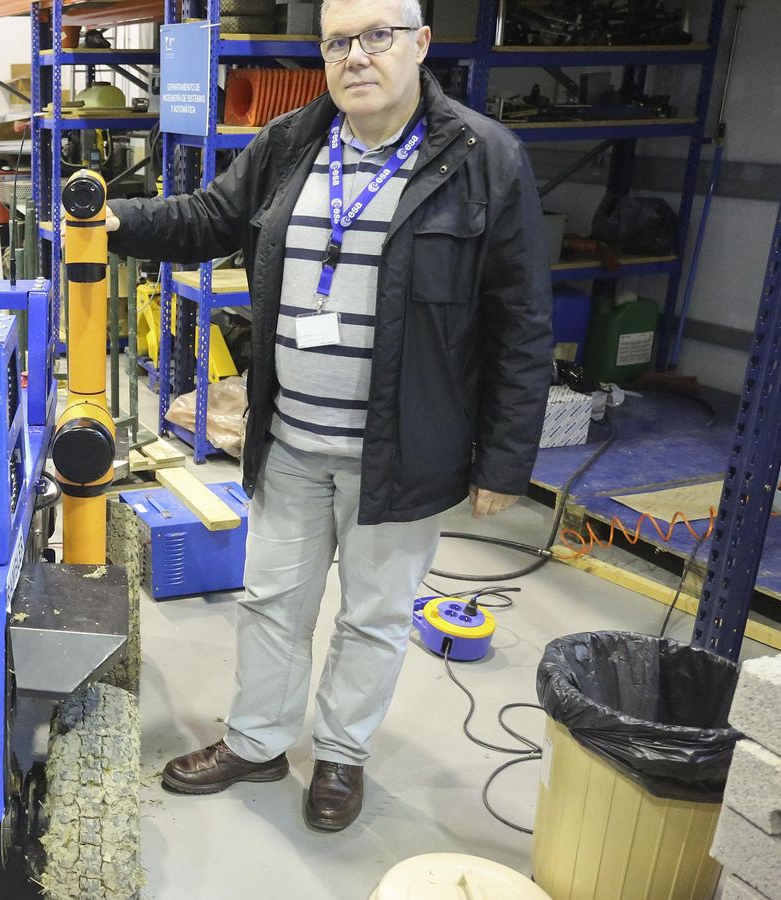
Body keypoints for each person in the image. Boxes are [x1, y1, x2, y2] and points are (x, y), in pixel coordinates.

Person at [106, 0, 551, 831]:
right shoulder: (291, 142)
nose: (356, 57)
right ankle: (258, 741)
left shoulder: (483, 158)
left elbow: (521, 319)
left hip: (402, 453)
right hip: (292, 442)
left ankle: (342, 757)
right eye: (338, 42)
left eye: (377, 37)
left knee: (374, 619)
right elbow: (210, 218)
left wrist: (503, 461)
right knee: (272, 602)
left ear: (420, 45)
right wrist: (114, 220)